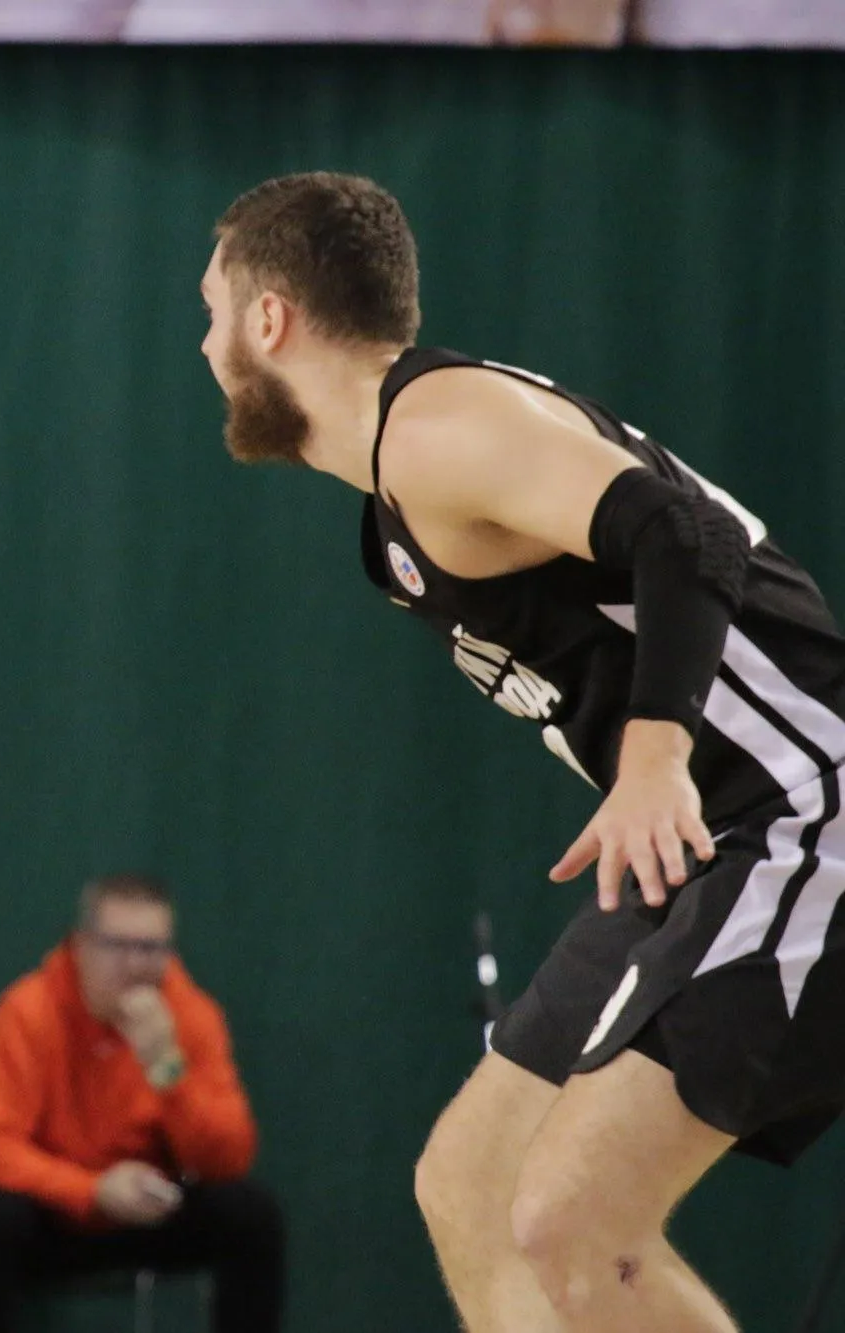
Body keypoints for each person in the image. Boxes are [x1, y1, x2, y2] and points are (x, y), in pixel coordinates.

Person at [202, 171, 845, 1331]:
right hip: (697, 838)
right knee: (469, 1187)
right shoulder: (399, 481)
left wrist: (649, 756)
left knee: (569, 1219)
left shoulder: (435, 430)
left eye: (210, 314)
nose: (204, 347)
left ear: (267, 318)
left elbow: (684, 531)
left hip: (803, 809)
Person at [0, 874, 284, 1333]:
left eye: (152, 949)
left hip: (147, 1214)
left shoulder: (192, 1015)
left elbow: (228, 1159)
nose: (136, 965)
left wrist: (167, 1070)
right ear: (81, 945)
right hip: (53, 1214)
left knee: (251, 1215)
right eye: (118, 946)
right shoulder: (28, 1011)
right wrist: (93, 1191)